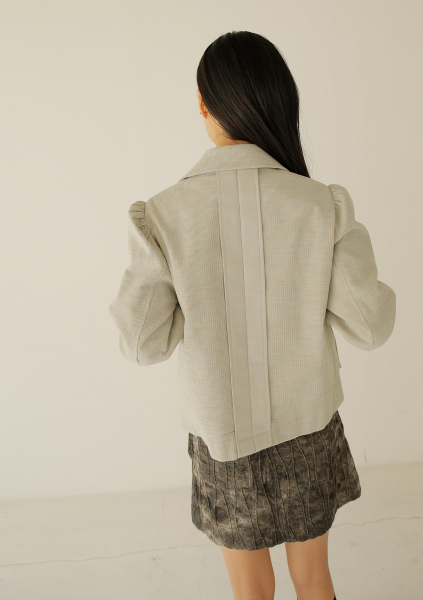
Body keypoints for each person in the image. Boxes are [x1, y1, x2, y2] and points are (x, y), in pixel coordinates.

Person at [109, 30, 396, 600]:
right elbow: (371, 326)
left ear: (202, 102)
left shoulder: (161, 215)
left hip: (222, 438)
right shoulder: (321, 204)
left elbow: (142, 344)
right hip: (308, 426)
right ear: (279, 101)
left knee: (250, 592)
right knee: (314, 579)